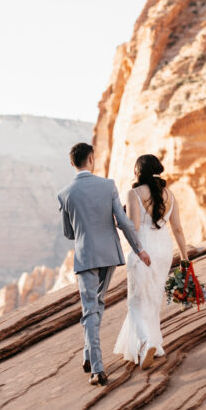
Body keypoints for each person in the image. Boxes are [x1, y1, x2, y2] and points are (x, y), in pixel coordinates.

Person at [57, 143, 149, 386]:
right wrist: (139, 249)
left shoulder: (65, 194)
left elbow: (68, 233)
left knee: (90, 308)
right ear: (91, 159)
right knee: (96, 304)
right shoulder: (108, 185)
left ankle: (95, 365)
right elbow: (124, 223)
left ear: (72, 163)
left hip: (85, 256)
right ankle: (93, 362)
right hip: (108, 254)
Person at [113, 154, 191, 370]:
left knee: (136, 300)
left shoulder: (134, 193)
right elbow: (177, 228)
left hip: (144, 249)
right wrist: (185, 257)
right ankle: (155, 343)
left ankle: (146, 343)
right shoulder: (170, 195)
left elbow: (135, 226)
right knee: (153, 299)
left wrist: (121, 217)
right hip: (164, 249)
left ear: (139, 172)